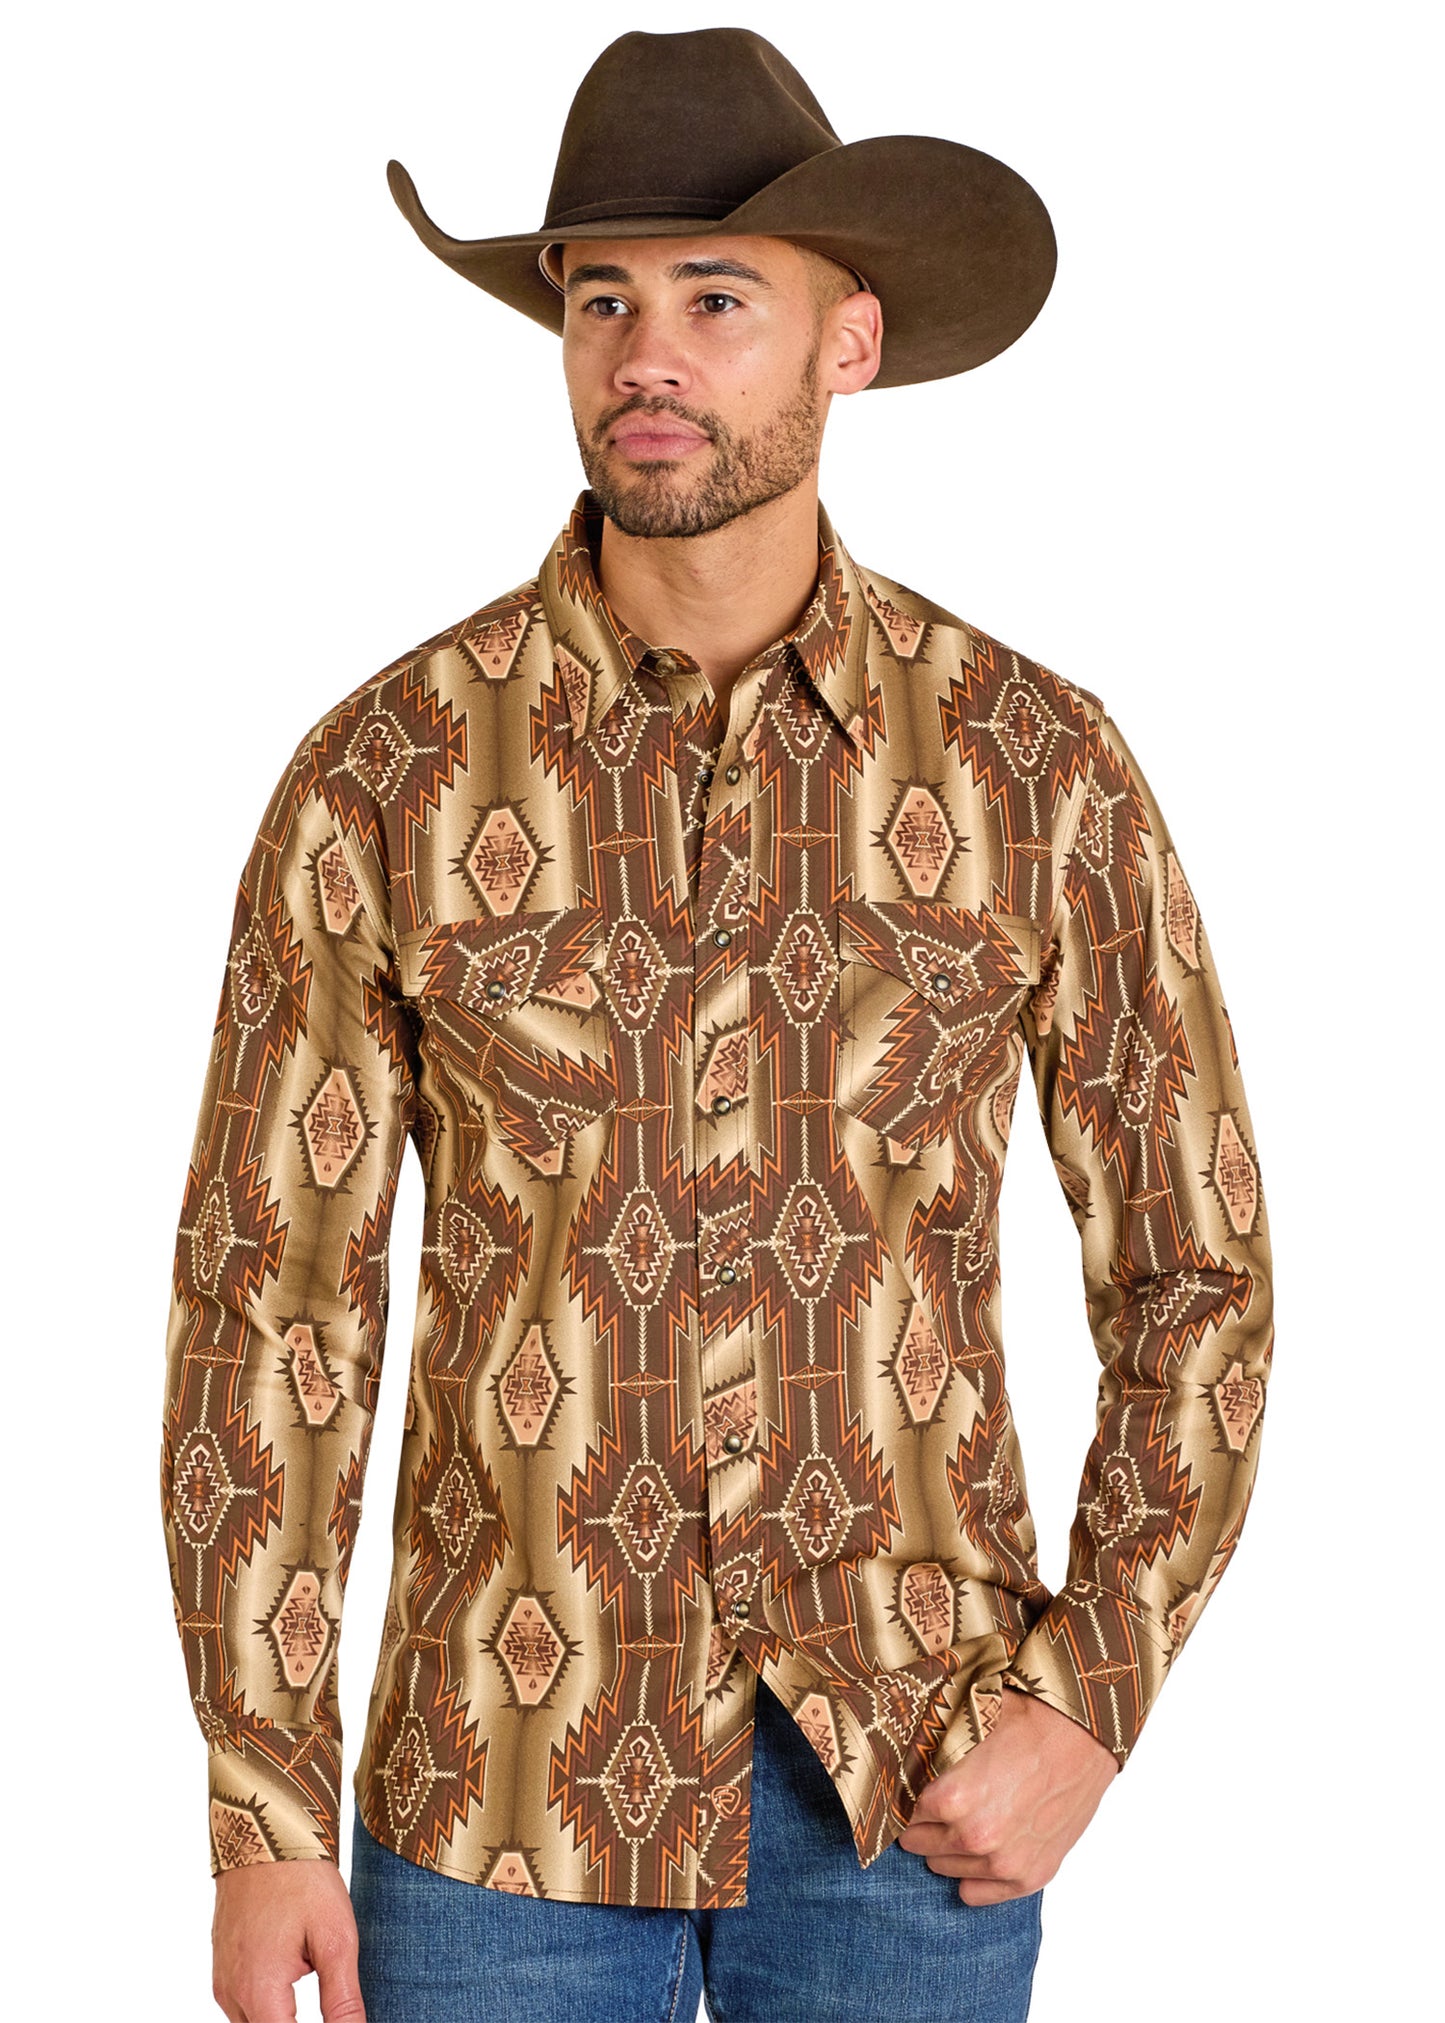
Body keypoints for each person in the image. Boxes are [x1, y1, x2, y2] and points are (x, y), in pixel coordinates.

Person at [160, 27, 1274, 2023]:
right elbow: (275, 1302)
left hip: (908, 1796)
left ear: (846, 344)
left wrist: (1089, 1697)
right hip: (495, 1806)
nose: (644, 357)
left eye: (714, 302)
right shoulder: (388, 777)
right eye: (602, 300)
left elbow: (1198, 1265)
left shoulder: (1036, 766)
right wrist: (262, 1815)